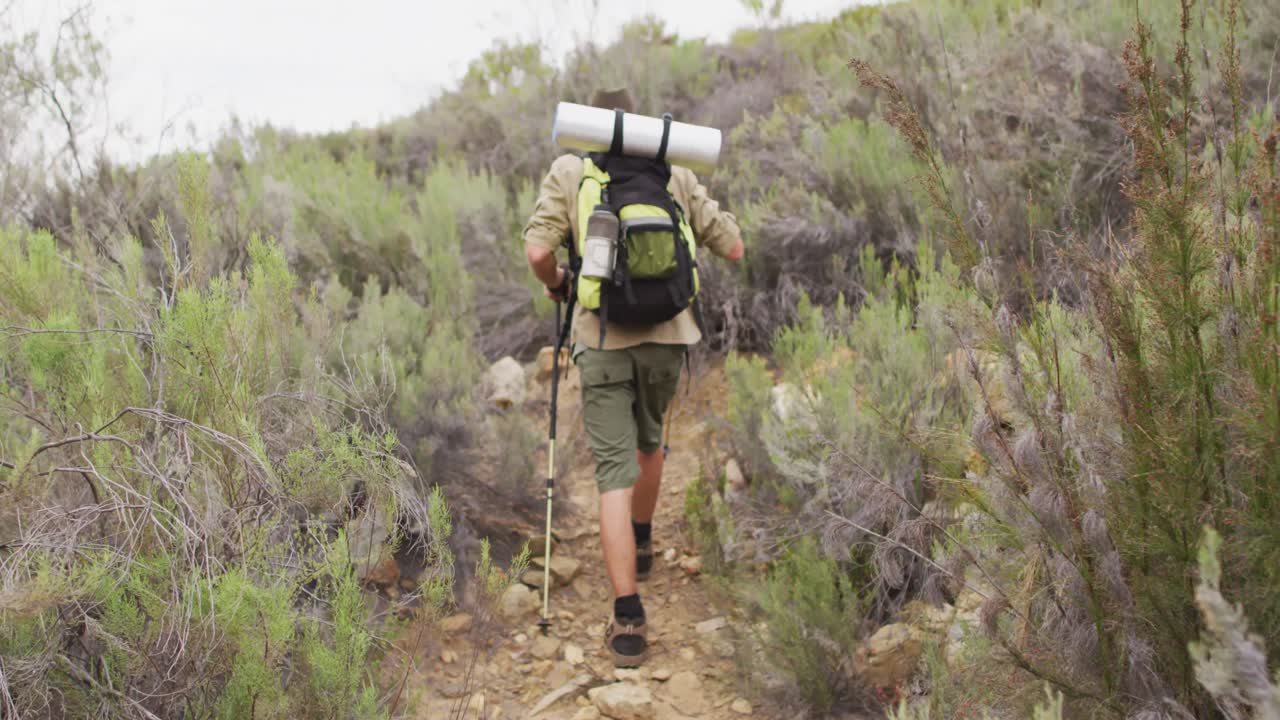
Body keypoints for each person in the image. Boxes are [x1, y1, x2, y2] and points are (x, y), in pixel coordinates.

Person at [523, 87, 744, 667]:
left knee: (611, 474)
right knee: (652, 442)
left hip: (601, 338)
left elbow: (537, 252)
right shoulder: (672, 171)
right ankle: (643, 539)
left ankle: (627, 616)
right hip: (670, 337)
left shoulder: (570, 169)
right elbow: (736, 248)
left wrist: (559, 285)